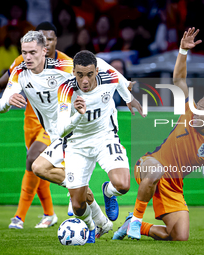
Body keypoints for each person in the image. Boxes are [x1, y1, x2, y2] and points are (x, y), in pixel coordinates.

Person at [0, 32, 141, 238]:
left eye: (32, 53)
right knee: (39, 168)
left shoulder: (65, 67)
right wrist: (8, 101)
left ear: (44, 51)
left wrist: (128, 96)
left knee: (116, 186)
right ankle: (93, 217)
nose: (27, 57)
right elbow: (1, 105)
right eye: (24, 53)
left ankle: (94, 198)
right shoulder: (20, 72)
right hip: (64, 134)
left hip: (90, 135)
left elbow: (103, 68)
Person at [113, 27, 204, 242]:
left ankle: (134, 224)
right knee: (157, 169)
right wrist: (183, 52)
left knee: (179, 236)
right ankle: (137, 220)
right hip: (150, 164)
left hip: (174, 186)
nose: (195, 112)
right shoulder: (190, 109)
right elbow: (179, 81)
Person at [0, 22, 65, 229]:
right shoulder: (23, 62)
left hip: (54, 127)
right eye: (42, 38)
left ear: (53, 43)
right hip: (30, 123)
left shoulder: (65, 64)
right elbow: (0, 85)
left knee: (32, 159)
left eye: (50, 39)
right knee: (37, 169)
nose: (46, 42)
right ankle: (49, 214)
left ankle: (19, 217)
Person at [53, 50, 145, 243]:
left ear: (97, 71)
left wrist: (129, 99)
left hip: (106, 138)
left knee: (123, 185)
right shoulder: (65, 89)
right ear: (73, 73)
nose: (84, 80)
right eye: (79, 75)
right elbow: (60, 130)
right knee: (77, 205)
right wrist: (78, 114)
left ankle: (108, 192)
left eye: (89, 74)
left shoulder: (109, 77)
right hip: (77, 145)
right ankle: (92, 228)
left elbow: (120, 81)